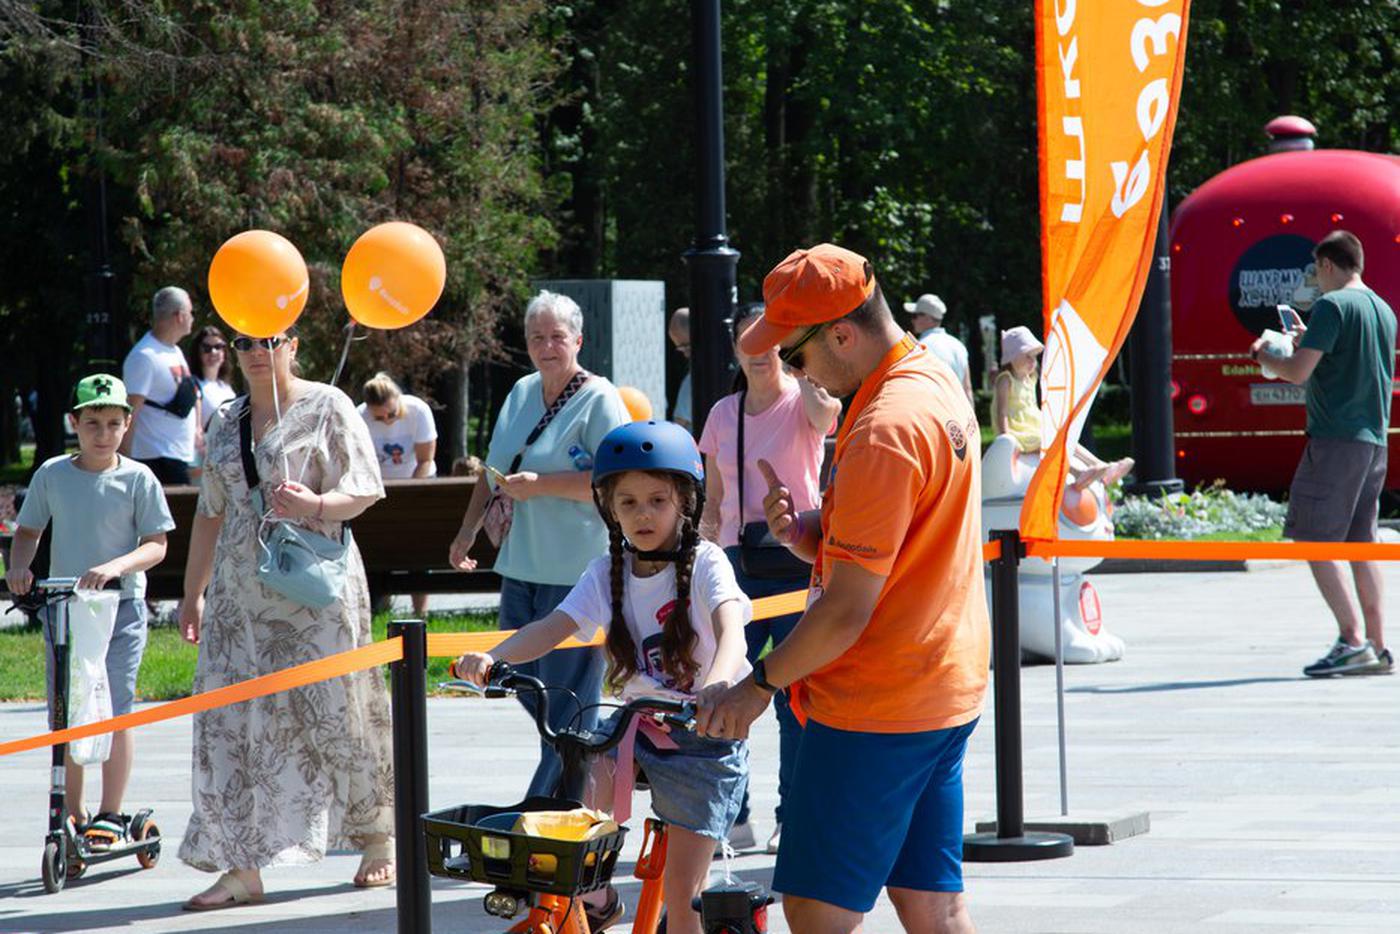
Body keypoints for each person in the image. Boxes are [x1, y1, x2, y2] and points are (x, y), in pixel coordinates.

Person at [696, 243, 989, 934]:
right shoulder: (932, 376)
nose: (796, 375)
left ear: (841, 334)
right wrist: (810, 534)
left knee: (817, 911)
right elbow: (910, 532)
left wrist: (755, 687)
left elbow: (847, 613)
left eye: (796, 357)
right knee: (933, 905)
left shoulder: (885, 426)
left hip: (874, 705)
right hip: (941, 687)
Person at [454, 420, 751, 934]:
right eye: (628, 502)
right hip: (634, 729)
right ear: (609, 509)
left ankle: (668, 911)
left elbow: (733, 631)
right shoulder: (604, 572)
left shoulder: (707, 562)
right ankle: (597, 897)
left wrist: (719, 686)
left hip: (706, 734)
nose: (643, 514)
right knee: (581, 793)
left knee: (683, 902)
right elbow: (553, 626)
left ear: (685, 502)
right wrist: (491, 657)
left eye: (658, 500)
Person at [177, 329, 396, 910]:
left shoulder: (328, 405)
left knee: (337, 712)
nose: (255, 351)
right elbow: (209, 512)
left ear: (294, 343)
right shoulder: (224, 419)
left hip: (313, 595)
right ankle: (240, 868)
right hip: (237, 601)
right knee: (228, 724)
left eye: (269, 339)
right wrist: (191, 592)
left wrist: (317, 505)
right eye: (243, 340)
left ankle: (378, 839)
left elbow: (366, 490)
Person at [449, 290, 630, 797]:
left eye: (557, 336)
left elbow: (615, 481)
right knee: (519, 679)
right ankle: (590, 756)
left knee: (567, 701)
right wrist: (466, 531)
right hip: (522, 564)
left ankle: (547, 806)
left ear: (578, 339)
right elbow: (492, 470)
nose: (547, 346)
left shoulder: (600, 398)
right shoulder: (522, 391)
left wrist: (543, 485)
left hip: (577, 571)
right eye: (536, 337)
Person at [5, 374, 174, 850]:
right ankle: (71, 809)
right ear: (73, 423)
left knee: (115, 710)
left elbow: (156, 545)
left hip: (120, 608)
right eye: (93, 423)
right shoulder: (53, 474)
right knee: (68, 709)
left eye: (114, 424)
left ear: (128, 424)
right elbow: (28, 532)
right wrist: (20, 568)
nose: (103, 433)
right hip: (65, 610)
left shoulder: (138, 478)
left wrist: (117, 567)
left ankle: (111, 812)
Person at [697, 305, 840, 854]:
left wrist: (804, 367)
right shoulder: (722, 413)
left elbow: (827, 417)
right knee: (728, 687)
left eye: (769, 338)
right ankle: (732, 817)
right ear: (735, 349)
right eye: (746, 340)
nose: (758, 349)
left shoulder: (803, 399)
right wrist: (703, 561)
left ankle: (793, 813)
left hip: (797, 561)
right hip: (735, 565)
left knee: (791, 691)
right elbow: (713, 499)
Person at [1250, 230, 1395, 677]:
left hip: (1335, 440)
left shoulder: (1332, 306)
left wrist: (1266, 356)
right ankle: (1377, 643)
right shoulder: (1382, 308)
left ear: (1329, 265)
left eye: (1316, 271)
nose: (1316, 280)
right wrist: (1305, 336)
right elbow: (1343, 361)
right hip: (1374, 441)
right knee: (1362, 544)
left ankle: (1351, 642)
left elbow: (1296, 373)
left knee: (1314, 541)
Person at [993, 325, 1134, 490]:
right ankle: (1078, 472)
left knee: (1065, 435)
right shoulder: (1005, 380)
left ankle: (1100, 465)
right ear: (1013, 357)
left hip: (1032, 425)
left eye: (1034, 357)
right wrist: (1006, 438)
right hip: (1018, 430)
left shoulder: (1029, 379)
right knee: (1047, 444)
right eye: (1027, 356)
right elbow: (1001, 411)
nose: (1033, 362)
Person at [121, 286, 200, 484]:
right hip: (156, 460)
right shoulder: (144, 356)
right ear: (180, 316)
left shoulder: (174, 351)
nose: (193, 318)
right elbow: (130, 411)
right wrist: (123, 464)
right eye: (191, 313)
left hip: (178, 457)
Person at [357, 372, 439, 480]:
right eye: (379, 418)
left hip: (420, 477)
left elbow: (425, 460)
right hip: (379, 482)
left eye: (391, 414)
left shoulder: (418, 410)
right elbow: (360, 463)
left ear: (398, 398)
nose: (386, 420)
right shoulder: (359, 416)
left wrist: (412, 490)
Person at [906, 293, 974, 402]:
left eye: (915, 315)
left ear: (928, 318)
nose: (912, 320)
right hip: (958, 413)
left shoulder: (919, 347)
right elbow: (967, 389)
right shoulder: (958, 345)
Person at [192, 325, 237, 431]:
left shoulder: (226, 387)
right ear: (197, 352)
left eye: (218, 347)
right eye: (206, 348)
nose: (213, 352)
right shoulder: (193, 384)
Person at [669, 306, 693, 429]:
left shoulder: (692, 383)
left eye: (686, 346)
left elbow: (679, 428)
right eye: (681, 349)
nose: (686, 354)